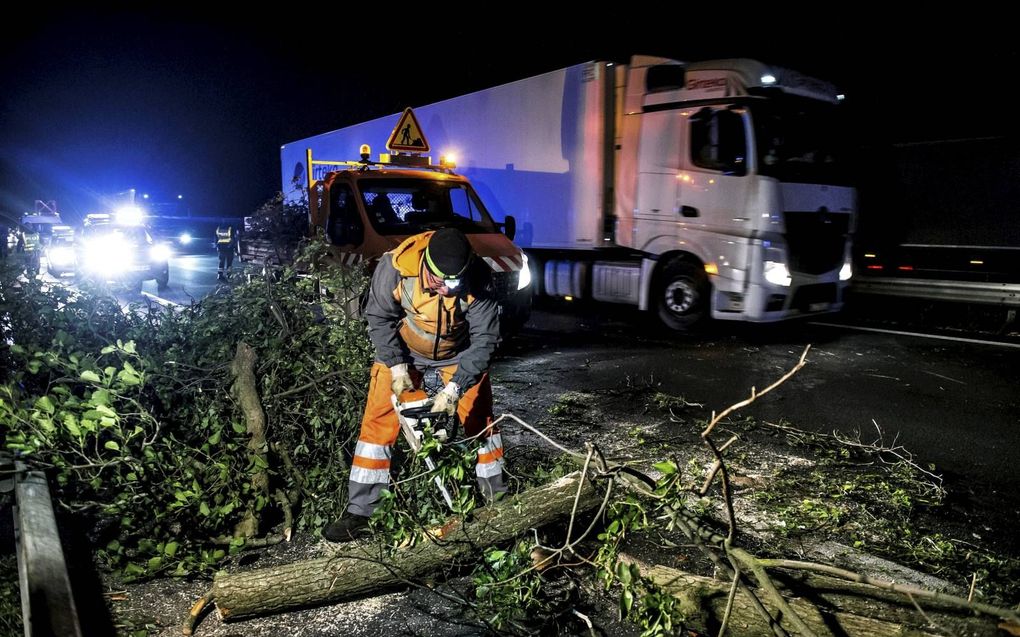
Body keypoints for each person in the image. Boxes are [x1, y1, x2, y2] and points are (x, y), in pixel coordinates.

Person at [323, 228, 505, 542]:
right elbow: (379, 317)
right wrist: (395, 365)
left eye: (454, 284)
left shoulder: (479, 277)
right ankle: (361, 511)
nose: (448, 291)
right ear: (426, 267)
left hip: (457, 353)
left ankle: (498, 501)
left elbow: (485, 340)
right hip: (405, 350)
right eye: (440, 283)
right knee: (378, 422)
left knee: (481, 421)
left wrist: (456, 387)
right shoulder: (395, 268)